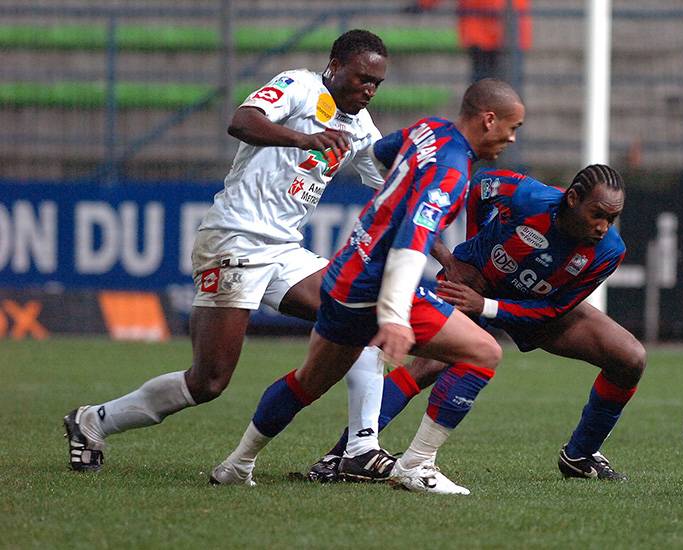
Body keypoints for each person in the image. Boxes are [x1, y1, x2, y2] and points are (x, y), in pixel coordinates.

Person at [63, 30, 393, 477]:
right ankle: (93, 420)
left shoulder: (359, 127)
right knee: (209, 381)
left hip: (283, 249)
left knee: (360, 318)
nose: (369, 90)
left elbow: (395, 196)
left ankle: (360, 448)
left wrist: (443, 255)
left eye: (376, 83)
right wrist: (302, 139)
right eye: (361, 78)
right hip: (234, 239)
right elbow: (241, 121)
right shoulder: (298, 86)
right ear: (334, 66)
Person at [211, 78, 525, 495]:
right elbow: (411, 243)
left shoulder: (429, 129)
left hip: (346, 271)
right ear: (489, 120)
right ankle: (418, 465)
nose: (512, 137)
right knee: (484, 353)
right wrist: (394, 318)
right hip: (377, 285)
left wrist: (390, 205)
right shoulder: (451, 169)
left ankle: (238, 463)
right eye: (512, 126)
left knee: (309, 380)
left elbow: (379, 154)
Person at [309, 164, 646, 482]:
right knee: (427, 366)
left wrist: (488, 306)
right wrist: (471, 254)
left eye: (611, 218)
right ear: (573, 198)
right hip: (474, 285)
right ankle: (342, 455)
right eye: (597, 214)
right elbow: (479, 187)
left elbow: (554, 309)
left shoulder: (609, 251)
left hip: (530, 307)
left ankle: (581, 455)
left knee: (629, 357)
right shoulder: (527, 196)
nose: (603, 226)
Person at [414, 0, 532, 83]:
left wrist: (423, 4)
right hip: (498, 34)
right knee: (503, 89)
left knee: (488, 90)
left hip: (489, 33)